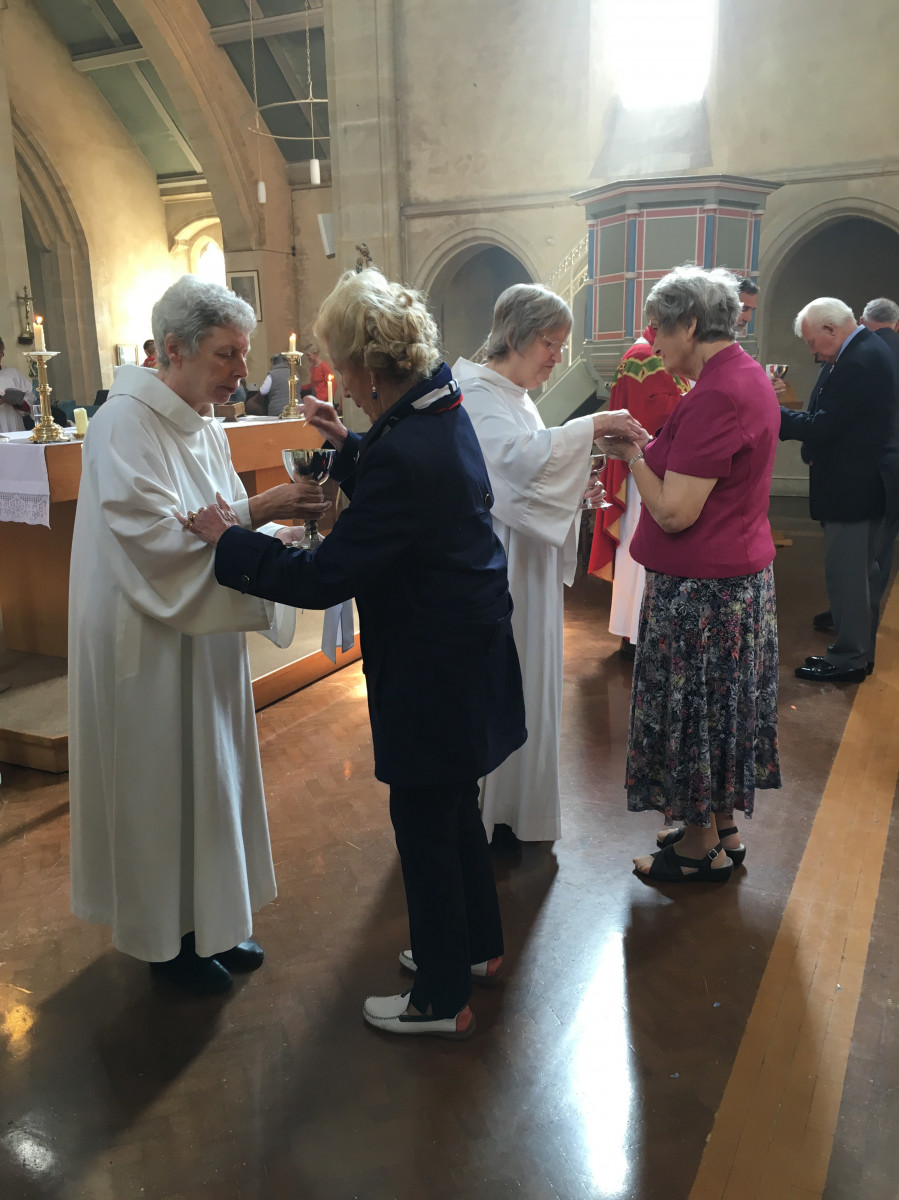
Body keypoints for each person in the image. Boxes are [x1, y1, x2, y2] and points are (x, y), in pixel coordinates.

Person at [185, 269, 527, 1040]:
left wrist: (230, 543)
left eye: (342, 367)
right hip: (467, 647)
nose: (341, 384)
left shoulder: (408, 448)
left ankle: (440, 1000)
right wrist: (350, 445)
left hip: (432, 663)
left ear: (370, 369)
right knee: (453, 808)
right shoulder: (439, 405)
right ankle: (475, 948)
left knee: (423, 817)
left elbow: (325, 576)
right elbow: (403, 456)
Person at [68, 275, 329, 995]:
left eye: (243, 353)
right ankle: (166, 940)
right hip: (145, 633)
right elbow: (158, 541)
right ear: (174, 350)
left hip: (199, 626)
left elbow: (214, 521)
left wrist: (275, 529)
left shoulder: (202, 420)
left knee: (210, 772)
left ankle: (213, 918)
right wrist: (261, 511)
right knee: (160, 783)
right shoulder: (125, 422)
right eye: (227, 355)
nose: (242, 371)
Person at [602, 266, 781, 882]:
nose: (652, 341)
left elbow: (675, 511)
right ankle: (719, 823)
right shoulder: (744, 375)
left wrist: (627, 453)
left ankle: (696, 847)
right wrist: (652, 444)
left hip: (703, 593)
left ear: (688, 323)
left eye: (659, 328)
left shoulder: (714, 394)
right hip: (734, 580)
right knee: (719, 712)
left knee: (696, 713)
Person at [453, 284, 644, 856]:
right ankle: (492, 812)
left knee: (529, 679)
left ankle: (517, 809)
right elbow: (510, 467)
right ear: (513, 335)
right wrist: (592, 427)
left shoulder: (515, 393)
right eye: (550, 344)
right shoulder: (475, 392)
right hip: (495, 564)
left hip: (525, 562)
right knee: (505, 680)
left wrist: (574, 483)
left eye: (562, 346)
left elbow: (533, 463)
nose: (557, 356)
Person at [781, 298, 899, 682]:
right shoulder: (863, 351)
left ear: (832, 330)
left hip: (856, 486)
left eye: (813, 342)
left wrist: (771, 410)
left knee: (848, 574)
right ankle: (857, 654)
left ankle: (849, 657)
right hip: (865, 482)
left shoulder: (859, 361)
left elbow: (824, 426)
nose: (812, 350)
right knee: (860, 575)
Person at [587, 323, 689, 656]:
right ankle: (638, 631)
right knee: (639, 550)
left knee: (636, 551)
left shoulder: (644, 351)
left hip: (642, 467)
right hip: (642, 469)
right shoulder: (647, 356)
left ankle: (635, 630)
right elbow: (661, 416)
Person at [0, 337, 34, 433]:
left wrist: (17, 402)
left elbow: (30, 400)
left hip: (13, 423)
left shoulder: (12, 374)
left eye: (0, 353)